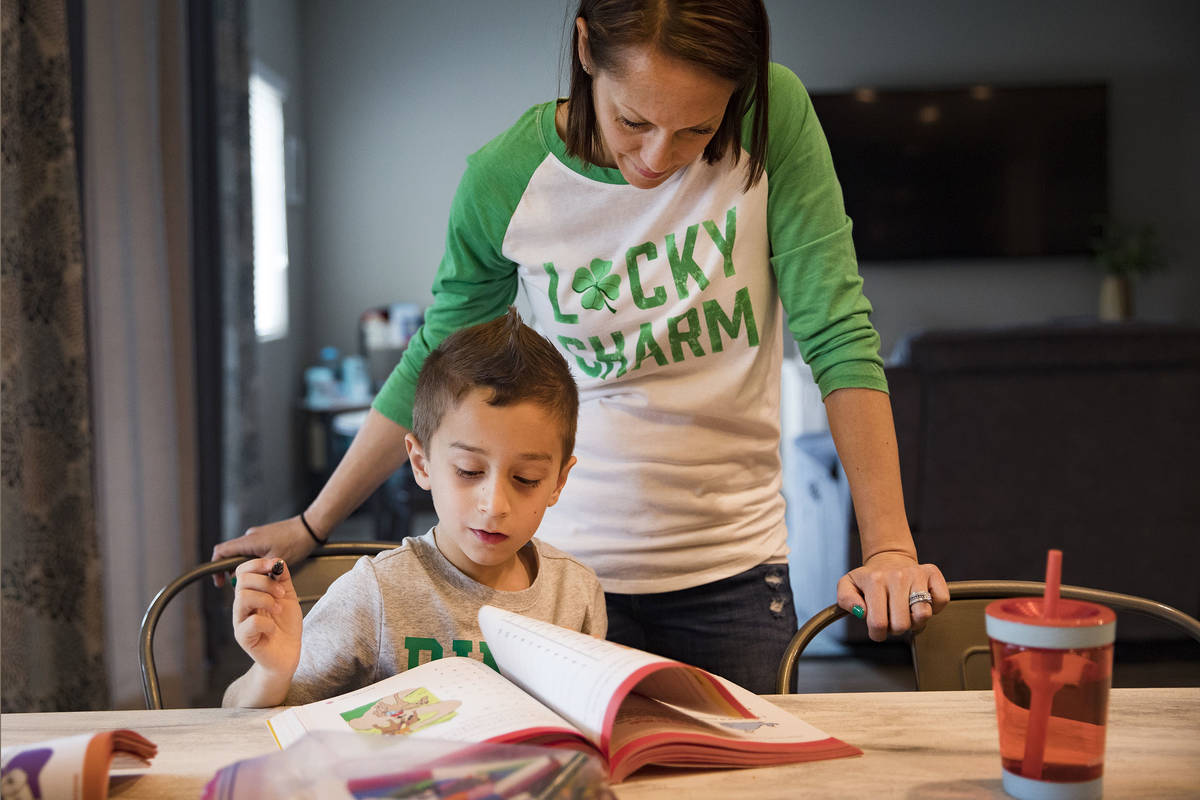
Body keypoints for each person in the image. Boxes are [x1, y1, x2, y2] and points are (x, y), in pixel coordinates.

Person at [215, 0, 947, 694]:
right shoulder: (504, 178)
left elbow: (836, 331)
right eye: (634, 120)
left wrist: (888, 546)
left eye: (696, 130)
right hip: (557, 580)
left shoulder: (773, 114)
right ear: (587, 47)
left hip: (733, 570)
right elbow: (433, 364)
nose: (659, 158)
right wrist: (315, 521)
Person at [222, 309, 606, 707]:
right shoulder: (376, 594)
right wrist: (272, 672)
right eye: (469, 470)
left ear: (558, 481)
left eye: (526, 478)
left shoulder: (575, 594)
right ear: (421, 463)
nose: (494, 505)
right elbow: (235, 715)